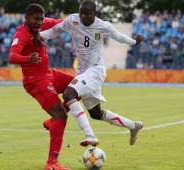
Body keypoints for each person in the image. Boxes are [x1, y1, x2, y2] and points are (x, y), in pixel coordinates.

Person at [40, 0, 144, 147]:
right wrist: (39, 36)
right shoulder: (72, 20)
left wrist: (134, 42)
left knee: (69, 94)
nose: (83, 16)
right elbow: (55, 30)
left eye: (87, 13)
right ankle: (133, 126)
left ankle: (90, 135)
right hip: (82, 71)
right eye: (81, 13)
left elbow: (118, 36)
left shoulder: (103, 25)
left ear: (94, 13)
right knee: (96, 113)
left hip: (96, 70)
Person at [9, 3, 73, 170]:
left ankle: (52, 122)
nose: (39, 22)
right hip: (35, 81)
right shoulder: (21, 33)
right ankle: (52, 163)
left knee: (78, 86)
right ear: (26, 19)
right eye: (35, 19)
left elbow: (60, 22)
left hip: (48, 74)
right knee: (61, 116)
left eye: (41, 19)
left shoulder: (42, 24)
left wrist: (80, 21)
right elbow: (12, 56)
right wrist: (27, 59)